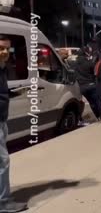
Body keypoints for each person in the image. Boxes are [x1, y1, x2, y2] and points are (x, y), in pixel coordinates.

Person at [0, 35, 29, 213]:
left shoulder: (2, 68)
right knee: (3, 161)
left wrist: (13, 94)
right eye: (0, 48)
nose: (4, 52)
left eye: (7, 49)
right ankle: (3, 203)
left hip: (2, 119)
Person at [73, 47, 101, 123]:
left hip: (82, 87)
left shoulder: (74, 64)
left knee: (91, 102)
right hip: (91, 84)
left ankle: (98, 116)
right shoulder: (87, 63)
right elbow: (94, 69)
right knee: (98, 101)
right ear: (85, 54)